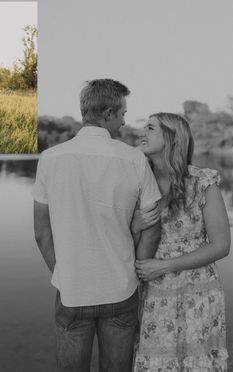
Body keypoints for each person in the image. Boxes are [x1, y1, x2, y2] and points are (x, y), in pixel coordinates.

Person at [33, 79, 161, 372]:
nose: (125, 120)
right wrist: (138, 269)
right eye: (122, 113)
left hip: (72, 291)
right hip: (121, 289)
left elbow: (41, 233)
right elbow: (153, 225)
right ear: (107, 112)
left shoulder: (49, 159)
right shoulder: (134, 159)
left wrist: (63, 274)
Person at [132, 113, 230, 371]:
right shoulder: (137, 182)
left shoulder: (202, 182)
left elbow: (221, 245)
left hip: (197, 289)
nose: (142, 133)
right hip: (154, 289)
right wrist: (136, 226)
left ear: (171, 138)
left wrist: (165, 265)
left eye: (150, 128)